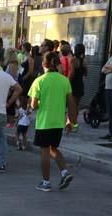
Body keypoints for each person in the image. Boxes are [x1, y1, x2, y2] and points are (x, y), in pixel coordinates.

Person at [29, 52, 75, 192]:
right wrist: (70, 121)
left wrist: (38, 103)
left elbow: (33, 105)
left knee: (44, 151)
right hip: (58, 122)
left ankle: (46, 182)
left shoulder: (39, 81)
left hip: (44, 122)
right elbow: (71, 103)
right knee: (53, 148)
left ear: (43, 64)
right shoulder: (64, 80)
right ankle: (64, 172)